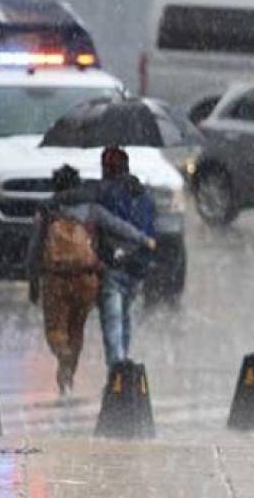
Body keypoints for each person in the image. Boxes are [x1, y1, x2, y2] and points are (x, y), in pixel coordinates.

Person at [26, 164, 156, 395]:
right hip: (87, 278)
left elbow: (35, 248)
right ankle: (68, 374)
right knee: (77, 329)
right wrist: (144, 239)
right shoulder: (92, 209)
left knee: (56, 329)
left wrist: (33, 280)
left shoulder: (47, 210)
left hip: (56, 279)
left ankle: (63, 358)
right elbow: (118, 227)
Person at [95, 146, 156, 369]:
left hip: (114, 266)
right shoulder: (144, 196)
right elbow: (150, 230)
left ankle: (117, 372)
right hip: (138, 267)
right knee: (126, 317)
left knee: (113, 322)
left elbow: (104, 226)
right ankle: (124, 368)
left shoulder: (104, 195)